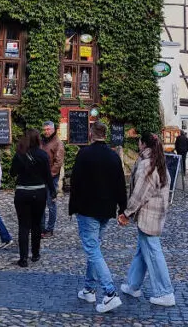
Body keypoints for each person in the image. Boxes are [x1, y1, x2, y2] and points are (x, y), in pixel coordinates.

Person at [69, 120, 127, 314]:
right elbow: (120, 185)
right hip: (106, 210)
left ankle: (110, 292)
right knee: (94, 249)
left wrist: (73, 207)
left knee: (93, 250)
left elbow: (74, 182)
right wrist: (122, 209)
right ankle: (89, 289)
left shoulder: (83, 154)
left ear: (91, 134)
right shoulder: (113, 157)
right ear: (105, 135)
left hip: (87, 210)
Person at [118, 132, 176, 307]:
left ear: (143, 144)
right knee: (142, 252)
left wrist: (126, 213)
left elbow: (140, 193)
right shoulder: (159, 162)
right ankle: (133, 285)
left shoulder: (146, 164)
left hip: (149, 214)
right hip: (157, 213)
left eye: (139, 142)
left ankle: (165, 292)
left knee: (152, 251)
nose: (138, 145)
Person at [10, 128, 54, 267]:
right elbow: (48, 176)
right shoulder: (42, 155)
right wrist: (52, 192)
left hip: (22, 192)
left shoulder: (19, 154)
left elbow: (12, 173)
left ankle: (23, 258)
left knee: (23, 226)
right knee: (36, 224)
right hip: (39, 192)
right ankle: (35, 254)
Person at [40, 120, 65, 238]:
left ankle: (50, 229)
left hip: (51, 178)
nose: (46, 132)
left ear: (53, 129)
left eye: (48, 129)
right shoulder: (42, 141)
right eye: (44, 129)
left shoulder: (58, 143)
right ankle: (41, 228)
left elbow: (58, 162)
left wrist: (49, 176)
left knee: (51, 204)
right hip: (41, 177)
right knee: (41, 203)